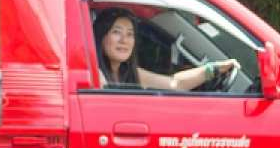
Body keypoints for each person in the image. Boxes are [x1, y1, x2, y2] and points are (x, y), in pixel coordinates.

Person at [91, 7, 239, 90]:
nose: (124, 40)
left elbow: (175, 83)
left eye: (130, 34)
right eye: (116, 32)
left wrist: (213, 69)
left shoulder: (130, 72)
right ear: (101, 36)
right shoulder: (95, 76)